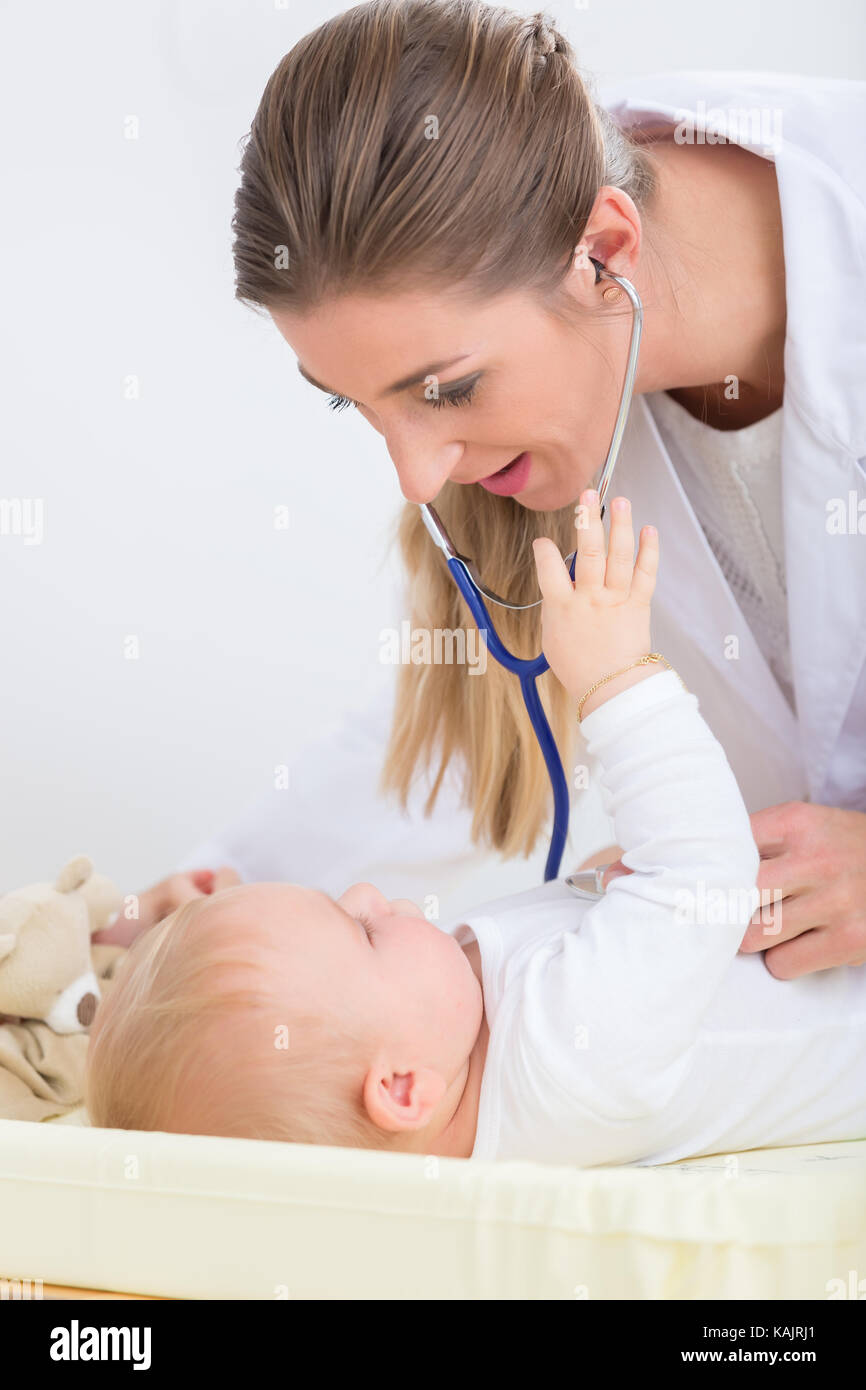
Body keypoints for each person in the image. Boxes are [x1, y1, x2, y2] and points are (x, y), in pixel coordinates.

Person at [96, 0, 866, 980]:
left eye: (447, 389)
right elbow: (474, 707)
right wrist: (209, 909)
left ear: (605, 252)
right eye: (355, 406)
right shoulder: (552, 407)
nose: (416, 474)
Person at [86, 494, 866, 1166]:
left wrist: (593, 892)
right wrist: (614, 679)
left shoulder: (454, 1034)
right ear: (401, 1090)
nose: (367, 894)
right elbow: (707, 873)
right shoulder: (564, 1063)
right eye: (360, 931)